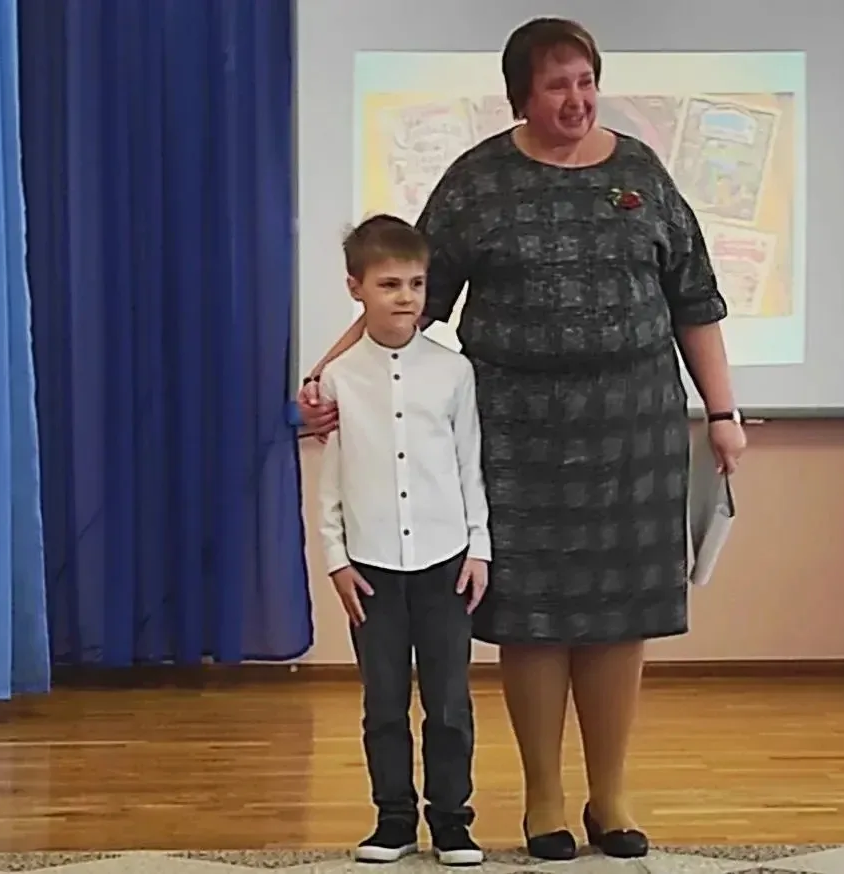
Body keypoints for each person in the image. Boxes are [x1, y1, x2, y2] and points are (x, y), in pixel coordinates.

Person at [300, 17, 747, 861]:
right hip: (515, 434)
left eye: (586, 81)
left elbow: (695, 298)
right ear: (520, 97)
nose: (576, 100)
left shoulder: (641, 172)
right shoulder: (479, 181)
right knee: (534, 616)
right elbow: (406, 299)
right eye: (556, 85)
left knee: (619, 615)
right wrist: (328, 381)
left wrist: (723, 415)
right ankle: (544, 796)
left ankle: (610, 795)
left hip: (633, 433)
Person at [317, 215, 491, 867]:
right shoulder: (338, 378)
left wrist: (479, 548)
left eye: (416, 283)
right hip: (372, 570)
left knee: (448, 703)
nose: (406, 297)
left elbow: (469, 465)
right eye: (389, 284)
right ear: (355, 288)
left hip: (445, 565)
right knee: (384, 703)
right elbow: (332, 479)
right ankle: (393, 819)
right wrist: (336, 559)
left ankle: (451, 821)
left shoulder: (453, 372)